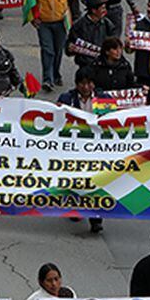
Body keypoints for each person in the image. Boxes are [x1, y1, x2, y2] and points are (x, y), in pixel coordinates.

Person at [57, 67, 106, 233]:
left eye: (89, 83)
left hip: (96, 149)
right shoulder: (66, 98)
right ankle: (76, 208)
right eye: (82, 84)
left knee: (95, 183)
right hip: (74, 149)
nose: (86, 87)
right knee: (75, 181)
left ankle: (96, 218)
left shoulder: (104, 99)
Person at [31, 0, 80, 92]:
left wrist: (75, 19)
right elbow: (30, 0)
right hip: (44, 22)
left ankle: (55, 73)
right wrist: (32, 18)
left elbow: (73, 0)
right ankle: (47, 79)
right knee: (48, 50)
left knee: (58, 51)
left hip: (61, 21)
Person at [65, 0, 115, 72]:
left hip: (103, 64)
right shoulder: (79, 26)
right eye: (102, 8)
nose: (105, 11)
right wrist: (70, 48)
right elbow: (71, 43)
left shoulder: (107, 24)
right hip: (85, 64)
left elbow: (113, 43)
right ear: (94, 10)